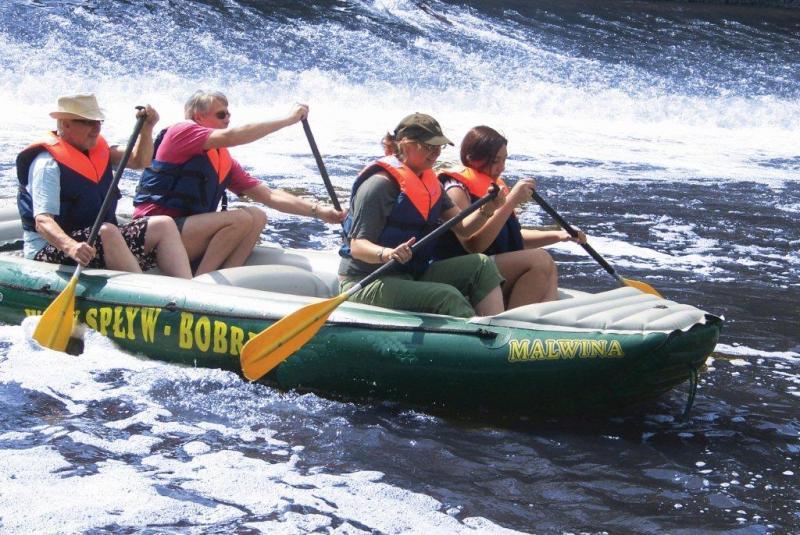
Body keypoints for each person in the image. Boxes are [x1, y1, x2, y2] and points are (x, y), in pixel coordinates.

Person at [132, 90, 345, 275]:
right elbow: (233, 136)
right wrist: (288, 120)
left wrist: (319, 211)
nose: (227, 119)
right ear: (198, 117)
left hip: (183, 236)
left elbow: (269, 195)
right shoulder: (182, 131)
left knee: (257, 216)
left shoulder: (221, 159)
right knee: (240, 219)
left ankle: (221, 281)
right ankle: (200, 285)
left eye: (229, 114)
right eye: (221, 114)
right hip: (151, 237)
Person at [338, 113, 506, 318]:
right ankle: (477, 336)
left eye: (439, 147)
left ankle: (496, 329)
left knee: (481, 265)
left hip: (410, 273)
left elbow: (464, 228)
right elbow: (357, 246)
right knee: (446, 296)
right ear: (405, 144)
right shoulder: (378, 185)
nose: (436, 153)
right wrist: (388, 254)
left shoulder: (431, 184)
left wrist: (488, 208)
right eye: (429, 146)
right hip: (365, 280)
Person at [16, 94, 192, 278]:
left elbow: (140, 161)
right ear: (66, 124)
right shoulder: (47, 164)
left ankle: (186, 289)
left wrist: (146, 128)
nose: (96, 128)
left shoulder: (99, 149)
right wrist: (72, 247)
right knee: (107, 232)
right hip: (51, 249)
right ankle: (144, 292)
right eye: (88, 122)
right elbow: (43, 222)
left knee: (164, 224)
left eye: (98, 122)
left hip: (97, 239)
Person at [437, 125, 586, 308]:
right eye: (495, 161)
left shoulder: (495, 186)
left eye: (504, 159)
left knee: (549, 266)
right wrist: (511, 201)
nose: (502, 167)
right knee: (540, 260)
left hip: (493, 264)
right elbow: (475, 245)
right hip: (467, 269)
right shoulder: (455, 188)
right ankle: (512, 321)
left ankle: (538, 321)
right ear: (471, 158)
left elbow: (512, 237)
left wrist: (560, 235)